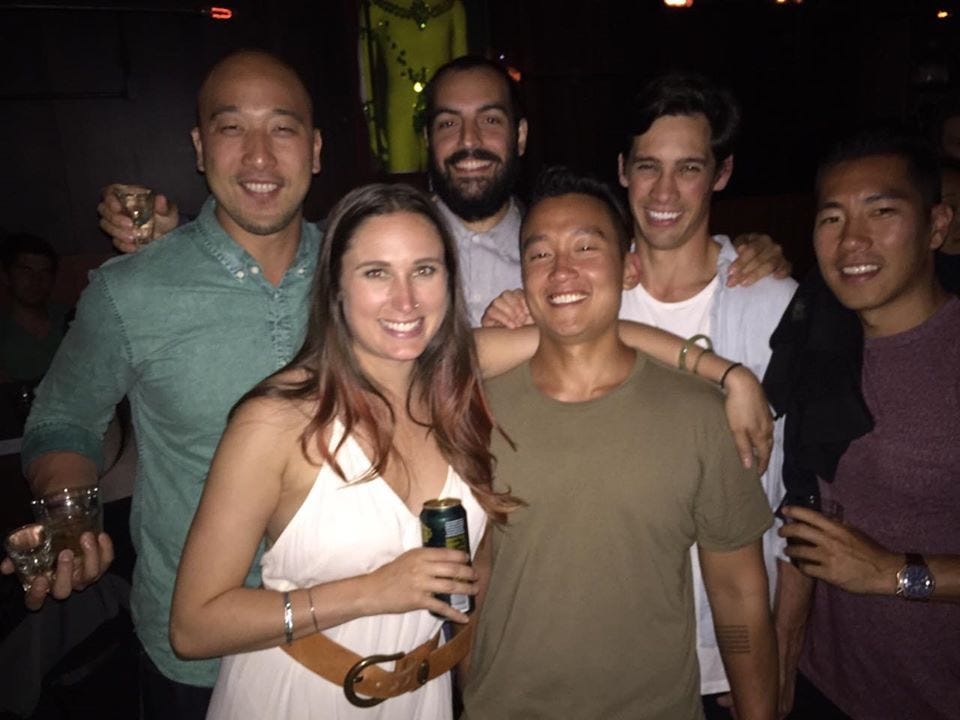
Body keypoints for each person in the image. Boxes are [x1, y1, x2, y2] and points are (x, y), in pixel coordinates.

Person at [6, 49, 323, 719]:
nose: (259, 155)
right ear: (200, 148)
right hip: (197, 658)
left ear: (316, 149)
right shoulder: (130, 290)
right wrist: (70, 520)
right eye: (232, 127)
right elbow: (64, 418)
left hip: (348, 633)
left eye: (283, 127)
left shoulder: (366, 272)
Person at [98, 57, 791, 326]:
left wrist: (749, 250)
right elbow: (277, 253)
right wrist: (177, 234)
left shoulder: (574, 254)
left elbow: (669, 270)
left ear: (519, 136)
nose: (470, 142)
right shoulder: (369, 240)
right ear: (428, 141)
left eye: (490, 121)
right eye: (449, 124)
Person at [171, 183, 518, 718]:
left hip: (421, 699)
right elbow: (193, 627)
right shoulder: (277, 421)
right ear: (336, 287)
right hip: (294, 699)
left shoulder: (458, 396)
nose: (406, 300)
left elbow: (583, 338)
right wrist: (369, 591)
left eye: (425, 270)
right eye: (376, 273)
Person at [462, 168, 777, 720]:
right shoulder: (478, 409)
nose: (561, 270)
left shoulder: (701, 414)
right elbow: (478, 567)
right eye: (540, 254)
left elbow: (738, 595)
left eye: (586, 247)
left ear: (627, 265)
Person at [615, 73, 795, 719]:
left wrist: (782, 655)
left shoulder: (775, 304)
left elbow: (799, 500)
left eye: (688, 168)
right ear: (622, 171)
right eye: (648, 167)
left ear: (721, 173)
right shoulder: (584, 297)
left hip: (734, 655)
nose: (664, 192)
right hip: (615, 649)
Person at [776, 127, 960, 719]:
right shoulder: (815, 341)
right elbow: (806, 509)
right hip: (826, 683)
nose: (852, 240)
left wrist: (891, 573)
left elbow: (869, 566)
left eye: (882, 212)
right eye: (832, 218)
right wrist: (781, 664)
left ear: (937, 225)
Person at [0, 233, 70, 385]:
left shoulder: (73, 318)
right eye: (26, 272)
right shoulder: (4, 330)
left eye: (44, 272)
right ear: (6, 276)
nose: (36, 281)